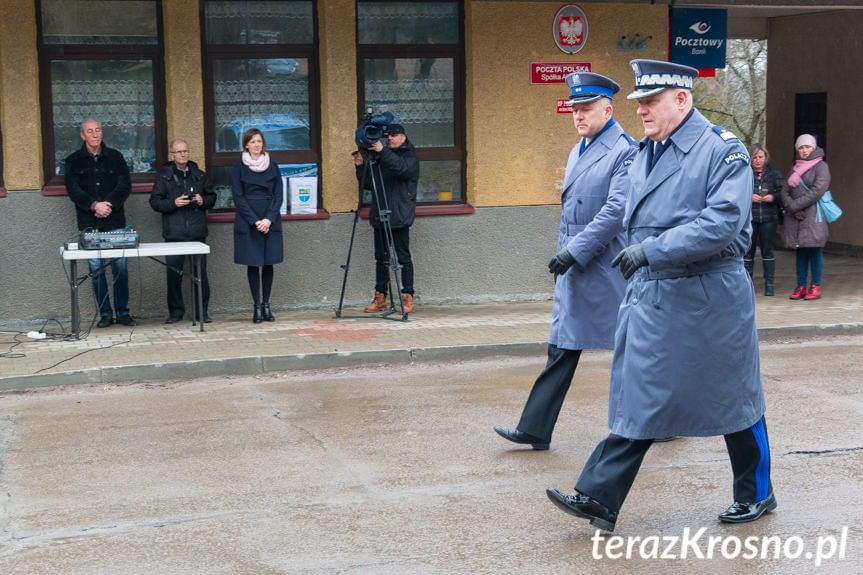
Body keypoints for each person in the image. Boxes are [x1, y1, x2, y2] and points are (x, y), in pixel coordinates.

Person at [546, 60, 774, 532]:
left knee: (735, 396)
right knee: (643, 392)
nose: (642, 111)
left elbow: (721, 223)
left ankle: (757, 493)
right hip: (655, 293)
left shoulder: (722, 151)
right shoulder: (645, 152)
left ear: (682, 99)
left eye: (651, 102)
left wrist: (651, 250)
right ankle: (599, 497)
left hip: (711, 296)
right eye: (639, 103)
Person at [493, 72, 637, 450]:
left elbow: (616, 210)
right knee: (562, 345)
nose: (578, 115)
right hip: (576, 264)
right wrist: (568, 252)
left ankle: (660, 417)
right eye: (575, 109)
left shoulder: (626, 149)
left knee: (632, 345)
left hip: (604, 266)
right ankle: (535, 427)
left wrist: (575, 251)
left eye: (586, 108)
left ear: (608, 109)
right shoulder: (579, 148)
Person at [65, 119, 136, 328]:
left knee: (120, 269)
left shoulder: (116, 157)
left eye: (98, 130)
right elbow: (73, 190)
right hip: (90, 224)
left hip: (115, 221)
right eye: (90, 131)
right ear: (82, 135)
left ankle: (123, 312)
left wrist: (109, 204)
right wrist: (94, 205)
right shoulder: (73, 161)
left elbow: (125, 186)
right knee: (96, 271)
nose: (95, 134)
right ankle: (105, 314)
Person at [353, 124, 419, 314]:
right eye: (387, 136)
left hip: (399, 215)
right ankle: (380, 296)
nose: (389, 138)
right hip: (380, 214)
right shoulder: (382, 157)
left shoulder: (409, 157)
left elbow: (402, 169)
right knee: (380, 259)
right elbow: (369, 184)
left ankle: (407, 296)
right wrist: (360, 167)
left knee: (403, 258)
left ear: (403, 138)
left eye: (393, 135)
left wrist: (382, 151)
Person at [149, 139, 217, 323]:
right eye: (179, 152)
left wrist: (203, 200)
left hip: (197, 233)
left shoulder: (199, 175)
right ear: (172, 155)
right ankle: (176, 313)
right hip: (174, 233)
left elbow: (212, 197)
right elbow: (155, 202)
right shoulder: (163, 177)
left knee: (200, 274)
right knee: (174, 276)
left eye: (185, 151)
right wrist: (173, 203)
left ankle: (201, 312)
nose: (183, 154)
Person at [232, 129, 284, 323]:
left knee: (268, 263)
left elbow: (279, 195)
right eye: (252, 142)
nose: (256, 145)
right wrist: (255, 221)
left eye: (259, 141)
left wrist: (268, 219)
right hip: (249, 221)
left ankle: (267, 305)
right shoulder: (238, 168)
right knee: (253, 263)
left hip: (270, 219)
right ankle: (256, 306)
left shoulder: (273, 165)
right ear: (246, 144)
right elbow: (238, 197)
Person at [780, 134, 831, 301]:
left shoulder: (821, 166)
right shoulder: (795, 168)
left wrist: (794, 206)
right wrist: (792, 209)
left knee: (814, 250)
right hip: (796, 216)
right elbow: (784, 191)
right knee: (800, 251)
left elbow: (817, 191)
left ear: (814, 148)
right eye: (801, 148)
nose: (804, 150)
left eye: (807, 147)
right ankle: (801, 285)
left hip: (813, 215)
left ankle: (815, 286)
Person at [745, 145, 784, 296]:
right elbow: (736, 192)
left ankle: (769, 285)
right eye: (754, 157)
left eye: (760, 157)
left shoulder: (773, 174)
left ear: (765, 157)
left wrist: (773, 197)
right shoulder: (745, 173)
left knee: (768, 251)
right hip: (750, 218)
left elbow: (783, 192)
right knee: (748, 252)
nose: (757, 160)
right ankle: (747, 286)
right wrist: (749, 197)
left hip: (769, 218)